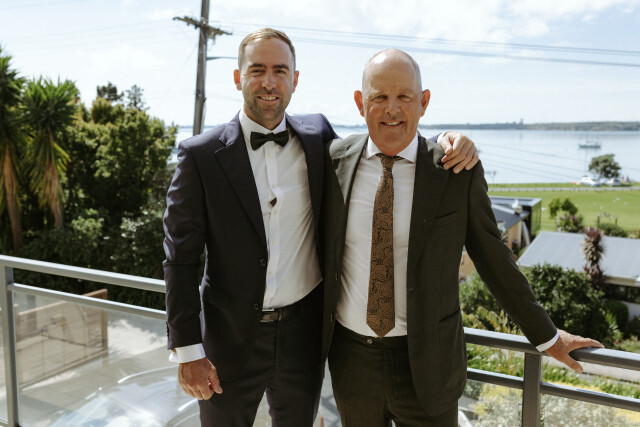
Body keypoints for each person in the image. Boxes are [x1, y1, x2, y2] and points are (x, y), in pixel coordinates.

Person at [163, 28, 478, 426]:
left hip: (303, 340)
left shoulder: (318, 137)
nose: (269, 82)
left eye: (280, 70)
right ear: (238, 77)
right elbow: (180, 259)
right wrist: (188, 351)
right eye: (257, 70)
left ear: (295, 80)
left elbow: (384, 141)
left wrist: (446, 140)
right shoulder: (200, 156)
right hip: (228, 341)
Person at [320, 49, 603, 426]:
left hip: (429, 365)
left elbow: (494, 260)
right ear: (360, 102)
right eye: (379, 96)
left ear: (424, 102)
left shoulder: (455, 171)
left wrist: (548, 337)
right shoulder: (334, 160)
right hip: (352, 363)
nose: (392, 108)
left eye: (404, 96)